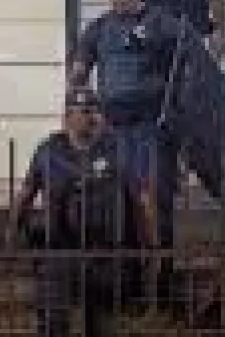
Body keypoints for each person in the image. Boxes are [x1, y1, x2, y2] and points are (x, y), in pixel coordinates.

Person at [69, 0, 187, 250]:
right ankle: (125, 268)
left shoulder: (161, 22)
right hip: (112, 130)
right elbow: (79, 71)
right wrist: (81, 97)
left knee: (156, 196)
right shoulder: (97, 29)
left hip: (152, 128)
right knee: (116, 197)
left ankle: (161, 270)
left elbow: (185, 62)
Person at [13, 85, 147, 337]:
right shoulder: (49, 150)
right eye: (85, 111)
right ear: (67, 118)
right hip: (60, 252)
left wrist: (146, 247)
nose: (93, 117)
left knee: (104, 324)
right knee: (54, 321)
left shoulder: (118, 147)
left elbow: (140, 200)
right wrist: (14, 234)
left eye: (96, 110)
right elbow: (25, 195)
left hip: (107, 253)